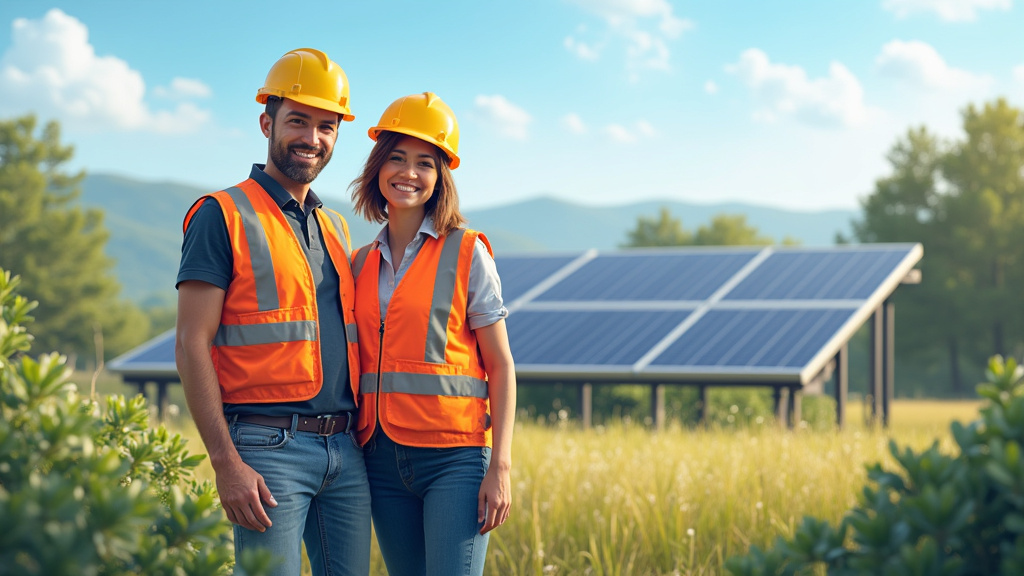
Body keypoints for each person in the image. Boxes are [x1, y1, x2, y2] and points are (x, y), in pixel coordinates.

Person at [174, 48, 370, 576]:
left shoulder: (334, 227)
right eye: (297, 121)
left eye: (326, 126)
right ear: (267, 122)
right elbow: (191, 343)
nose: (312, 138)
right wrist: (226, 463)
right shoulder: (222, 214)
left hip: (345, 450)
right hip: (267, 449)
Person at [348, 92, 517, 576]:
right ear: (378, 167)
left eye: (425, 162)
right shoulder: (358, 263)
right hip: (378, 459)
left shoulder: (468, 252)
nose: (409, 172)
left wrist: (499, 467)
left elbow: (502, 366)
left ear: (441, 177)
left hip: (455, 461)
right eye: (397, 158)